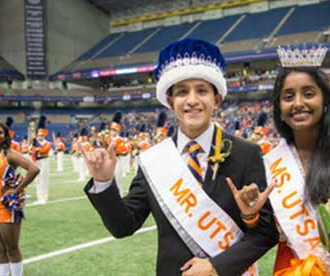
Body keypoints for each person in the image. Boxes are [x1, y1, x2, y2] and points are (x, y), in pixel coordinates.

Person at [81, 38, 278, 276]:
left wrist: (216, 266)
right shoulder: (154, 159)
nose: (192, 100)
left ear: (216, 99)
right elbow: (124, 225)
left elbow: (265, 233)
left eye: (202, 90)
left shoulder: (246, 153)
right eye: (182, 92)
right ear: (170, 101)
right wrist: (103, 182)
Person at [231, 46, 330, 274]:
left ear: (325, 100)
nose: (297, 103)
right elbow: (263, 235)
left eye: (308, 93)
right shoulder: (269, 164)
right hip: (293, 268)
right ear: (279, 109)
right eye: (288, 97)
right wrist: (250, 215)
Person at [0, 121, 39, 276]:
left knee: (12, 249)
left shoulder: (9, 155)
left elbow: (34, 169)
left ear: (5, 136)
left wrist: (17, 190)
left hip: (6, 208)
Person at [32, 116, 51, 204]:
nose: (40, 136)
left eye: (42, 135)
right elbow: (30, 151)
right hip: (36, 162)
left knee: (43, 180)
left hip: (43, 162)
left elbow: (43, 151)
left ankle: (44, 198)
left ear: (44, 135)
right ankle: (39, 198)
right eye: (39, 135)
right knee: (37, 180)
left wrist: (35, 147)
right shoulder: (35, 143)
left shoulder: (47, 143)